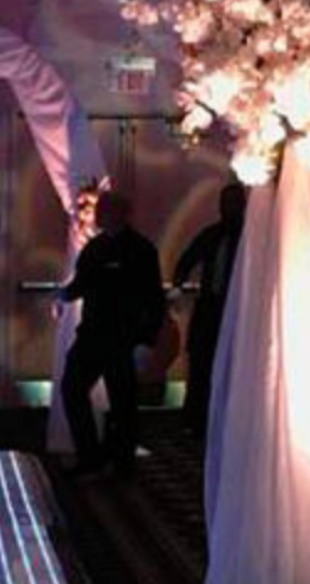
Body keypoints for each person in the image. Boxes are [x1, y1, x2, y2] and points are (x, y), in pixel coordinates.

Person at [59, 189, 165, 476]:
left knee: (122, 402)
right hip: (93, 334)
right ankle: (93, 456)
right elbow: (82, 282)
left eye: (104, 210)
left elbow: (153, 299)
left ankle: (119, 461)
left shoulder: (140, 250)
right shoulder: (96, 248)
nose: (98, 215)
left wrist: (146, 340)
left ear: (120, 214)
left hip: (122, 337)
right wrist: (64, 295)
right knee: (74, 389)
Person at [172, 181, 247, 438]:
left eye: (234, 203)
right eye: (225, 203)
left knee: (231, 367)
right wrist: (178, 281)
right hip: (209, 308)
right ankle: (196, 420)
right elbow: (188, 258)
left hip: (236, 311)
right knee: (200, 364)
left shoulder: (250, 237)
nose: (229, 208)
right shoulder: (212, 234)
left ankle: (228, 420)